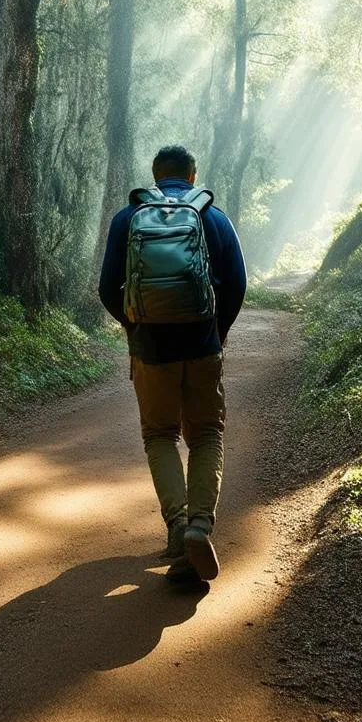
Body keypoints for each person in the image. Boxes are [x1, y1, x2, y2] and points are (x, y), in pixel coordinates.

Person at [98, 145, 246, 582]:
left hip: (151, 349)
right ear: (192, 174)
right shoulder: (211, 216)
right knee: (206, 435)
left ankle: (178, 526)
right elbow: (236, 284)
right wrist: (217, 332)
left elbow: (108, 287)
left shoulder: (129, 218)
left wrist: (136, 325)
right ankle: (201, 525)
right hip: (202, 346)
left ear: (155, 176)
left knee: (159, 435)